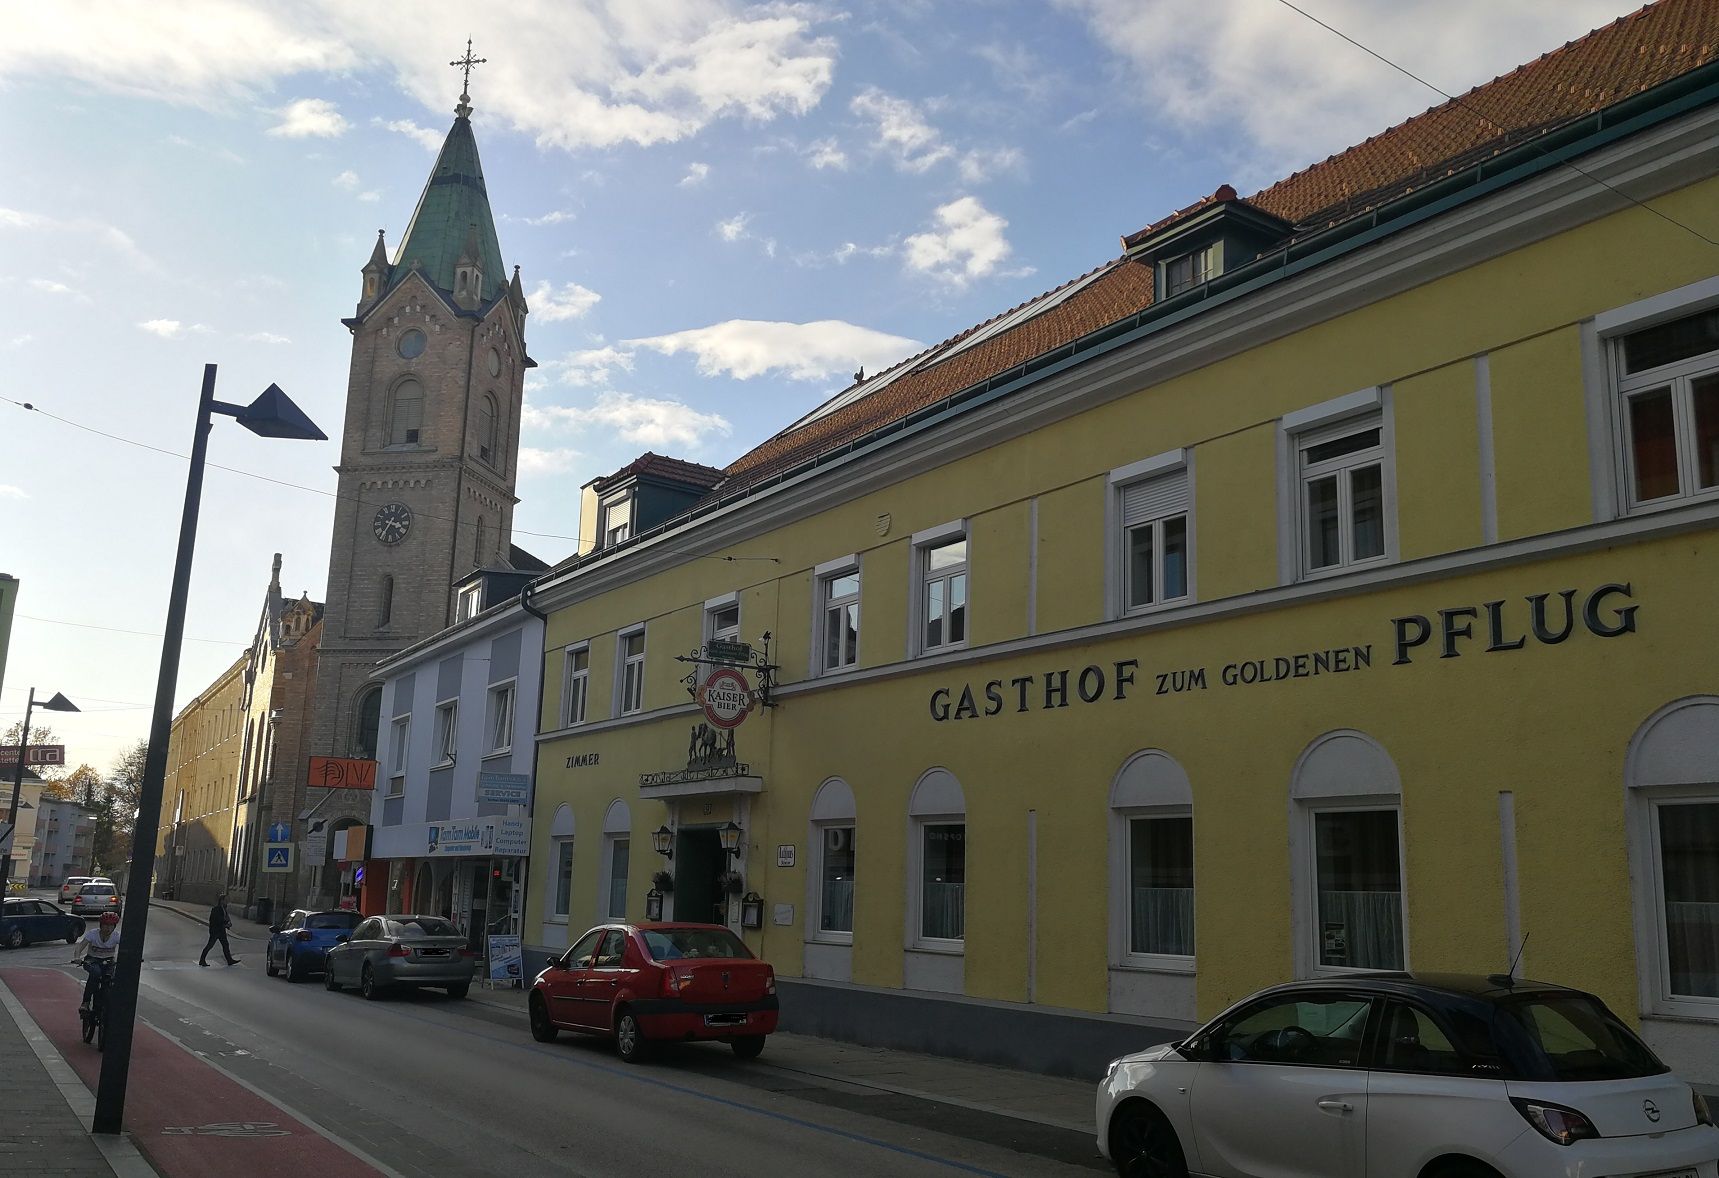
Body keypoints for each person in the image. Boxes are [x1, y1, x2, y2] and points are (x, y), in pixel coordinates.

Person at [73, 911, 121, 1013]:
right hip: (92, 960)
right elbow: (80, 946)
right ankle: (85, 1003)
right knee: (95, 973)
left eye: (111, 926)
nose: (108, 928)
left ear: (114, 926)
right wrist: (77, 957)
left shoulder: (116, 936)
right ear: (100, 925)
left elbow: (126, 949)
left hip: (109, 961)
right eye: (105, 925)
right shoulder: (93, 934)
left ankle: (109, 1003)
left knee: (110, 979)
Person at [199, 893, 240, 967]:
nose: (227, 901)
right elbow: (217, 920)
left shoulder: (224, 909)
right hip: (215, 931)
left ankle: (229, 960)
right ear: (221, 901)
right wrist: (225, 923)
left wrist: (227, 924)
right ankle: (202, 960)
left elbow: (225, 918)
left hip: (221, 931)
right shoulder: (216, 909)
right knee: (210, 945)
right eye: (225, 900)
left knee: (225, 945)